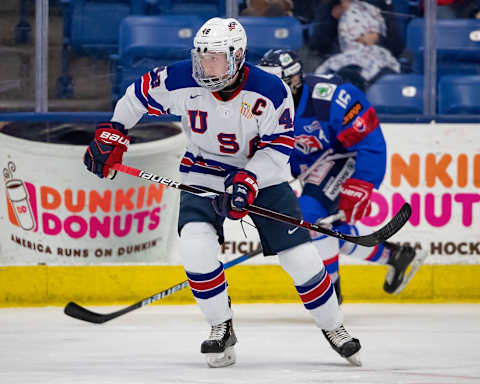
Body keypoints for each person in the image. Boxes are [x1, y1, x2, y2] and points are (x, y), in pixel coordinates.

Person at [82, 17, 362, 368]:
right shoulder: (179, 78)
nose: (205, 66)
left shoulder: (271, 91)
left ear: (239, 55)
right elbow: (136, 96)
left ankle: (334, 327)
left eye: (215, 58)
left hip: (264, 179)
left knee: (300, 259)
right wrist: (114, 131)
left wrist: (248, 179)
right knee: (197, 249)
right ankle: (220, 327)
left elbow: (278, 147)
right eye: (201, 56)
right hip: (203, 173)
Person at [258, 49, 427, 304]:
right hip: (311, 169)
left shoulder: (331, 97)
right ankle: (393, 257)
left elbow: (369, 141)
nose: (271, 93)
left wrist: (361, 184)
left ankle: (329, 292)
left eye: (277, 85)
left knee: (311, 218)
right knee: (331, 229)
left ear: (294, 80)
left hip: (344, 157)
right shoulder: (262, 107)